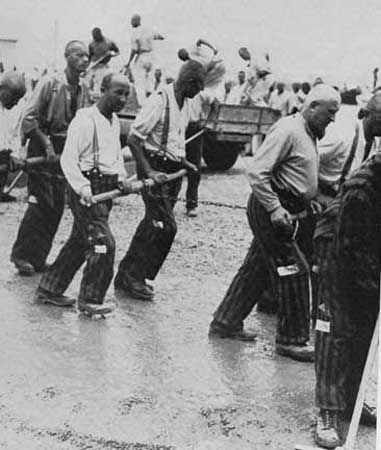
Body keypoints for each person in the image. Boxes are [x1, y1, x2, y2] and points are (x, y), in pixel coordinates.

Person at [209, 85, 341, 363]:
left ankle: (225, 321)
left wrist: (309, 198)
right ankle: (291, 340)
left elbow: (297, 172)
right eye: (330, 113)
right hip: (271, 209)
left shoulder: (308, 132)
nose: (332, 120)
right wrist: (275, 208)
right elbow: (256, 171)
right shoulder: (288, 130)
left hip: (288, 208)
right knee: (294, 270)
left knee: (257, 268)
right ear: (312, 106)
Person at [313, 93, 381, 448]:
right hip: (336, 244)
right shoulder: (363, 186)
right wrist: (374, 281)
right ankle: (327, 408)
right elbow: (350, 248)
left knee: (366, 329)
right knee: (335, 326)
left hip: (366, 249)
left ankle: (352, 399)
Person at [34, 73, 131, 313]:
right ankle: (90, 300)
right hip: (85, 188)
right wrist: (82, 188)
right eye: (118, 92)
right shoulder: (85, 120)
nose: (123, 99)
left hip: (105, 189)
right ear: (103, 89)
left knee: (80, 239)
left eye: (126, 94)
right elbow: (69, 159)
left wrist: (122, 178)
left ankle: (49, 288)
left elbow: (115, 155)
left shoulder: (114, 120)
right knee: (102, 243)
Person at [114, 60, 206, 300]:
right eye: (199, 87)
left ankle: (126, 274)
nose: (199, 92)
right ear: (189, 82)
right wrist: (149, 172)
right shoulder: (159, 101)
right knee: (165, 226)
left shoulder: (184, 103)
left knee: (151, 224)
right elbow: (134, 140)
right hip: (155, 170)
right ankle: (136, 277)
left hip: (172, 171)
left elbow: (173, 141)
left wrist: (186, 164)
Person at [10, 41, 91, 276]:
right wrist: (45, 144)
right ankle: (21, 255)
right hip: (42, 145)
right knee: (39, 203)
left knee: (56, 205)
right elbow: (29, 117)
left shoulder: (84, 88)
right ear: (67, 57)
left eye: (87, 56)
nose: (84, 60)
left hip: (65, 150)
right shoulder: (50, 83)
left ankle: (39, 257)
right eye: (79, 55)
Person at [124, 14, 164, 106]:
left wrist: (129, 62)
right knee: (151, 79)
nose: (131, 23)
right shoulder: (149, 30)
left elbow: (134, 49)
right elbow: (160, 36)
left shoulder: (135, 34)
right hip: (151, 56)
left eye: (132, 21)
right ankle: (152, 96)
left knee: (139, 81)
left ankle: (143, 104)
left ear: (136, 21)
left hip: (142, 56)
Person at [0, 71, 27, 203]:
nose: (16, 102)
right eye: (13, 97)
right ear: (2, 89)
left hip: (4, 153)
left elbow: (16, 133)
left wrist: (14, 154)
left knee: (4, 162)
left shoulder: (18, 109)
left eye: (19, 98)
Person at [87, 27, 119, 100]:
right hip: (94, 65)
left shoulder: (108, 42)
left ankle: (98, 98)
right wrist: (87, 67)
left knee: (99, 81)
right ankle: (91, 97)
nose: (95, 38)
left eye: (96, 36)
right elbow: (89, 56)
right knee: (88, 81)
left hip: (103, 66)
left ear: (100, 34)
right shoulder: (91, 44)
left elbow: (117, 52)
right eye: (94, 37)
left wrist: (111, 53)